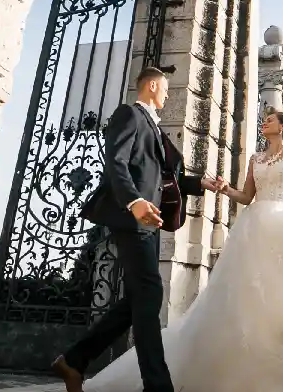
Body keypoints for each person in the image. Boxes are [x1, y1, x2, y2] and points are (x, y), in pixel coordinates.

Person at [79, 107, 283, 392]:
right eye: (263, 120)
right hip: (255, 228)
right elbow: (247, 196)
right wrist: (223, 188)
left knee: (282, 299)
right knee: (248, 302)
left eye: (270, 120)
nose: (264, 124)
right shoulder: (255, 160)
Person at [52, 66, 225, 392]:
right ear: (152, 86)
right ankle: (157, 385)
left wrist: (200, 183)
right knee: (149, 294)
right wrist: (133, 202)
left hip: (149, 218)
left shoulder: (153, 127)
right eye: (165, 89)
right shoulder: (129, 115)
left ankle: (74, 360)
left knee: (139, 297)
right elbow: (115, 161)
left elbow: (161, 177)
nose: (167, 95)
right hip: (133, 216)